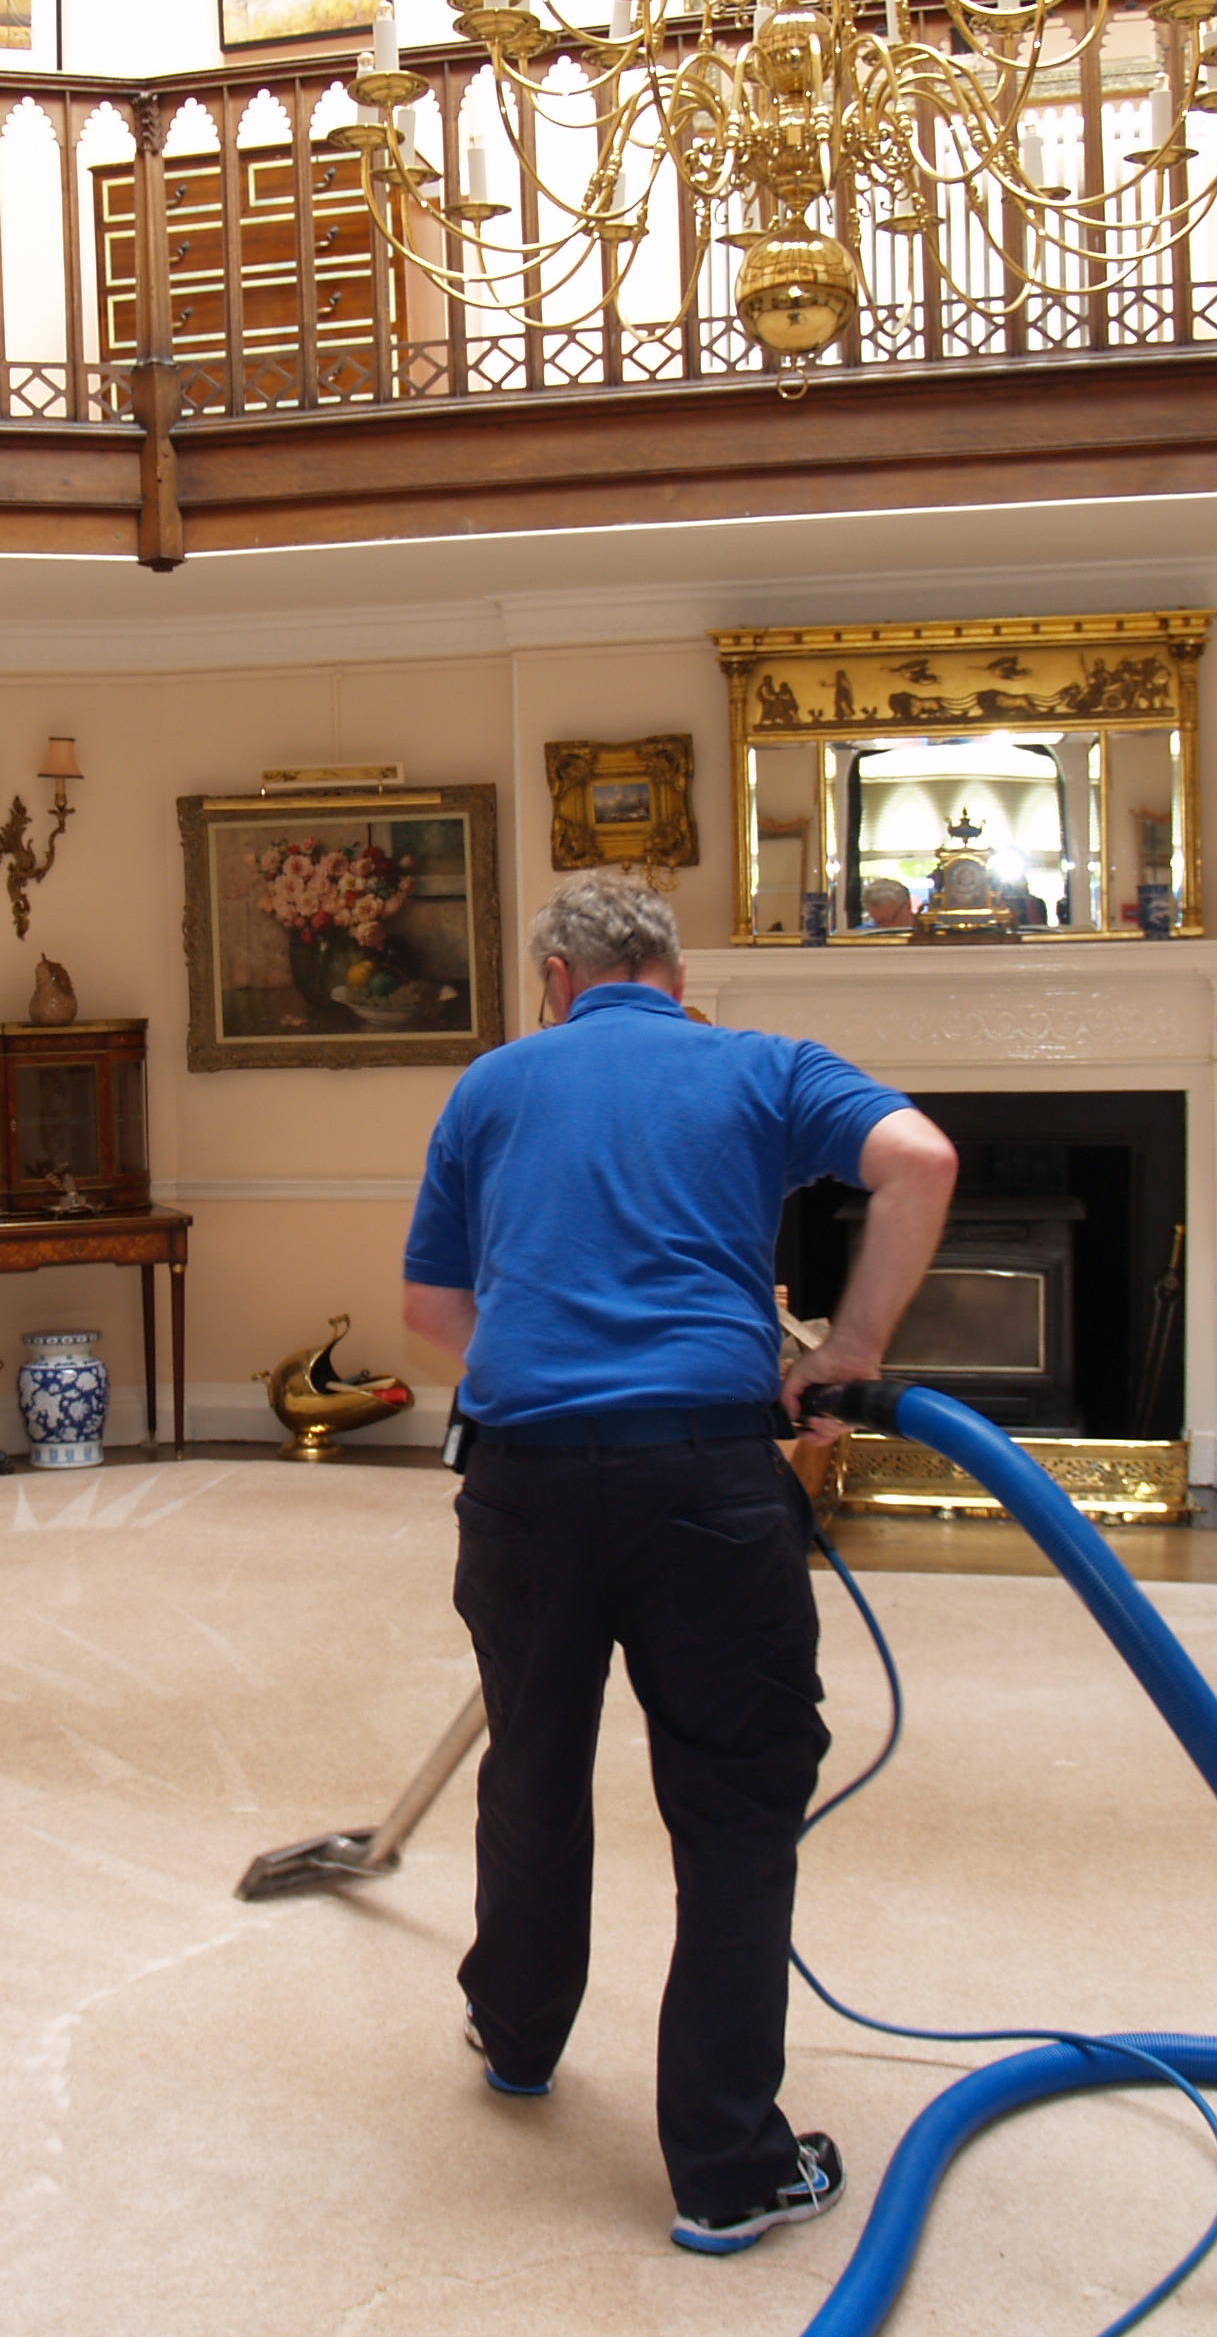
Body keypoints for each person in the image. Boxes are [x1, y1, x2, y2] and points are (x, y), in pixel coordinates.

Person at [402, 870, 958, 2255]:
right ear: (676, 975)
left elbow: (430, 1307)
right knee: (733, 1801)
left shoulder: (493, 1085)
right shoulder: (761, 1067)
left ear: (555, 981)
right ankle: (726, 2169)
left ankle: (517, 2034)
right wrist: (850, 1353)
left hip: (523, 1484)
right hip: (708, 1482)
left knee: (531, 1763)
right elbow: (922, 1162)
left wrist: (553, 1379)